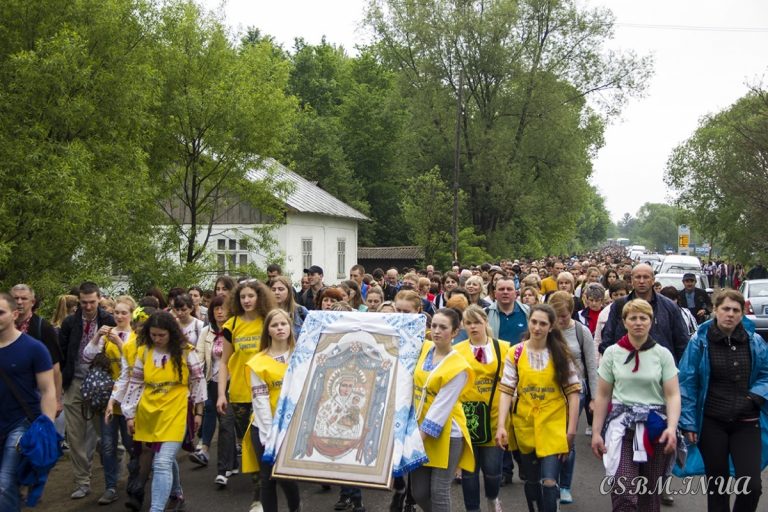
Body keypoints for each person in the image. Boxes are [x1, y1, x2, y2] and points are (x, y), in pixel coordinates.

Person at [678, 289, 768, 512]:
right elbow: (687, 382)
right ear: (715, 311)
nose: (730, 314)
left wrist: (755, 396)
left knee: (752, 486)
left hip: (747, 421)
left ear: (742, 313)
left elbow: (766, 373)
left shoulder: (754, 341)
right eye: (725, 309)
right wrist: (688, 422)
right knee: (717, 488)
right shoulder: (699, 341)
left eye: (735, 310)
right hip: (712, 422)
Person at [591, 299, 681, 512]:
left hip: (655, 428)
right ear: (624, 322)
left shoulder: (662, 354)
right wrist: (596, 432)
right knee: (624, 490)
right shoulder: (612, 353)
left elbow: (673, 394)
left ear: (651, 322)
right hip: (622, 428)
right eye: (633, 318)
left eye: (644, 318)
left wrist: (672, 428)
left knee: (650, 496)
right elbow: (603, 395)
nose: (638, 322)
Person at [495, 304, 581, 512]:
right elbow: (506, 390)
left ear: (551, 327)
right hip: (525, 425)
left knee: (549, 481)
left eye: (543, 323)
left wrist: (571, 431)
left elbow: (573, 393)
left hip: (554, 423)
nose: (537, 327)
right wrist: (501, 425)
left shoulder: (560, 353)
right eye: (534, 322)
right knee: (531, 482)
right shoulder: (516, 353)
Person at [123, 312, 207, 512]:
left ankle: (156, 509)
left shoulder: (186, 351)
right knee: (163, 457)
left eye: (162, 335)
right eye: (153, 335)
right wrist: (129, 414)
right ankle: (176, 493)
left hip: (176, 410)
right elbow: (135, 383)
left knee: (161, 462)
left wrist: (198, 412)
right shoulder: (143, 352)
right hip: (149, 412)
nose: (157, 339)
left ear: (172, 333)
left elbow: (197, 381)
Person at [217, 279, 276, 512]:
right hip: (240, 393)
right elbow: (224, 362)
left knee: (264, 444)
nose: (247, 300)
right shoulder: (231, 325)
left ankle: (262, 493)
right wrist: (221, 394)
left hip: (267, 393)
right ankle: (259, 492)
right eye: (242, 297)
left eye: (251, 296)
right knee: (250, 446)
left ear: (259, 297)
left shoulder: (268, 322)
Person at [411, 308, 475, 512]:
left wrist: (416, 439)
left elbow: (441, 408)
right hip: (419, 427)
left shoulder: (459, 367)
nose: (436, 331)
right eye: (434, 326)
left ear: (455, 332)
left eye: (443, 327)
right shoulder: (424, 348)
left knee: (439, 492)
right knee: (418, 493)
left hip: (448, 433)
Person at [59, 281, 117, 500]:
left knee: (106, 434)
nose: (88, 306)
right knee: (75, 436)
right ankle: (82, 480)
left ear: (99, 299)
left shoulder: (108, 320)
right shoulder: (69, 323)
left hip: (100, 383)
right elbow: (62, 355)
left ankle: (114, 476)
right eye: (84, 302)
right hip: (74, 381)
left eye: (92, 302)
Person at [0, 292, 57, 512]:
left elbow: (47, 389)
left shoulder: (34, 348)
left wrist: (47, 426)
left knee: (4, 484)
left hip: (21, 423)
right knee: (8, 487)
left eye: (1, 312)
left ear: (15, 314)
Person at [82, 295, 137, 505]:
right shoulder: (107, 334)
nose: (120, 316)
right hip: (107, 399)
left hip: (129, 399)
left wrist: (121, 343)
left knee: (132, 445)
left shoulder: (136, 337)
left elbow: (134, 365)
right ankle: (111, 486)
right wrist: (97, 338)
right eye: (117, 313)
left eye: (124, 313)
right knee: (107, 445)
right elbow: (87, 357)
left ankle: (135, 480)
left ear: (131, 314)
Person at [245, 309, 301, 512]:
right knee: (268, 478)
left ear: (290, 326)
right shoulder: (257, 362)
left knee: (286, 476)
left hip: (293, 426)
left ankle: (295, 508)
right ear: (267, 330)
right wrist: (269, 436)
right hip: (264, 428)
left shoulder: (302, 356)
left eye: (283, 324)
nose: (279, 328)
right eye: (274, 325)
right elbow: (260, 401)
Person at [455, 306, 509, 512]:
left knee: (493, 470)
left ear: (486, 322)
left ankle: (492, 497)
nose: (473, 326)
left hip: (495, 416)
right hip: (468, 416)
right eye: (468, 323)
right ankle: (472, 509)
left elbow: (510, 381)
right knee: (469, 470)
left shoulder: (503, 347)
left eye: (477, 322)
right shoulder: (457, 350)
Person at [548, 292, 598, 504]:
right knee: (550, 436)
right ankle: (550, 480)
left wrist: (594, 398)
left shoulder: (580, 331)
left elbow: (592, 366)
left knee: (568, 437)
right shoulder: (545, 331)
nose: (560, 320)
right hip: (549, 392)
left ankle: (565, 485)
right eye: (556, 316)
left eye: (564, 315)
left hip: (576, 391)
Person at [190, 295, 238, 485]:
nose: (219, 312)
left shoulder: (236, 329)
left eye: (223, 308)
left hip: (232, 383)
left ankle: (222, 469)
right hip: (212, 381)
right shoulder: (206, 332)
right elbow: (199, 357)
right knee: (219, 418)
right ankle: (231, 462)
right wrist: (195, 381)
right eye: (216, 308)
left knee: (226, 424)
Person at [600, 264, 689, 364]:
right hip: (625, 370)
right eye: (638, 277)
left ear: (653, 280)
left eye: (646, 277)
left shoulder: (670, 307)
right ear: (632, 280)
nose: (641, 281)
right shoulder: (619, 306)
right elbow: (607, 339)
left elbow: (682, 343)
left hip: (661, 370)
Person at [11, 284, 63, 416]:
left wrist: (56, 399)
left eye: (24, 298)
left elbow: (55, 367)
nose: (19, 302)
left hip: (35, 395)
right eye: (15, 298)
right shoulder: (5, 326)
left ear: (32, 302)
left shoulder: (43, 327)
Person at [485, 276, 530, 346]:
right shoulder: (485, 313)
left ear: (515, 293)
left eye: (509, 289)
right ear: (495, 293)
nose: (505, 292)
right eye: (501, 289)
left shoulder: (528, 312)